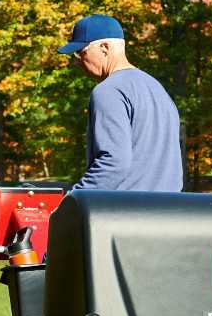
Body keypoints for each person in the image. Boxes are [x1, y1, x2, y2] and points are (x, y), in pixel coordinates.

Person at [59, 14, 183, 194]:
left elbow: (113, 163)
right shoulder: (157, 89)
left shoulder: (108, 90)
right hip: (168, 213)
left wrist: (71, 201)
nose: (77, 62)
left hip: (126, 214)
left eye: (81, 53)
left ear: (104, 48)